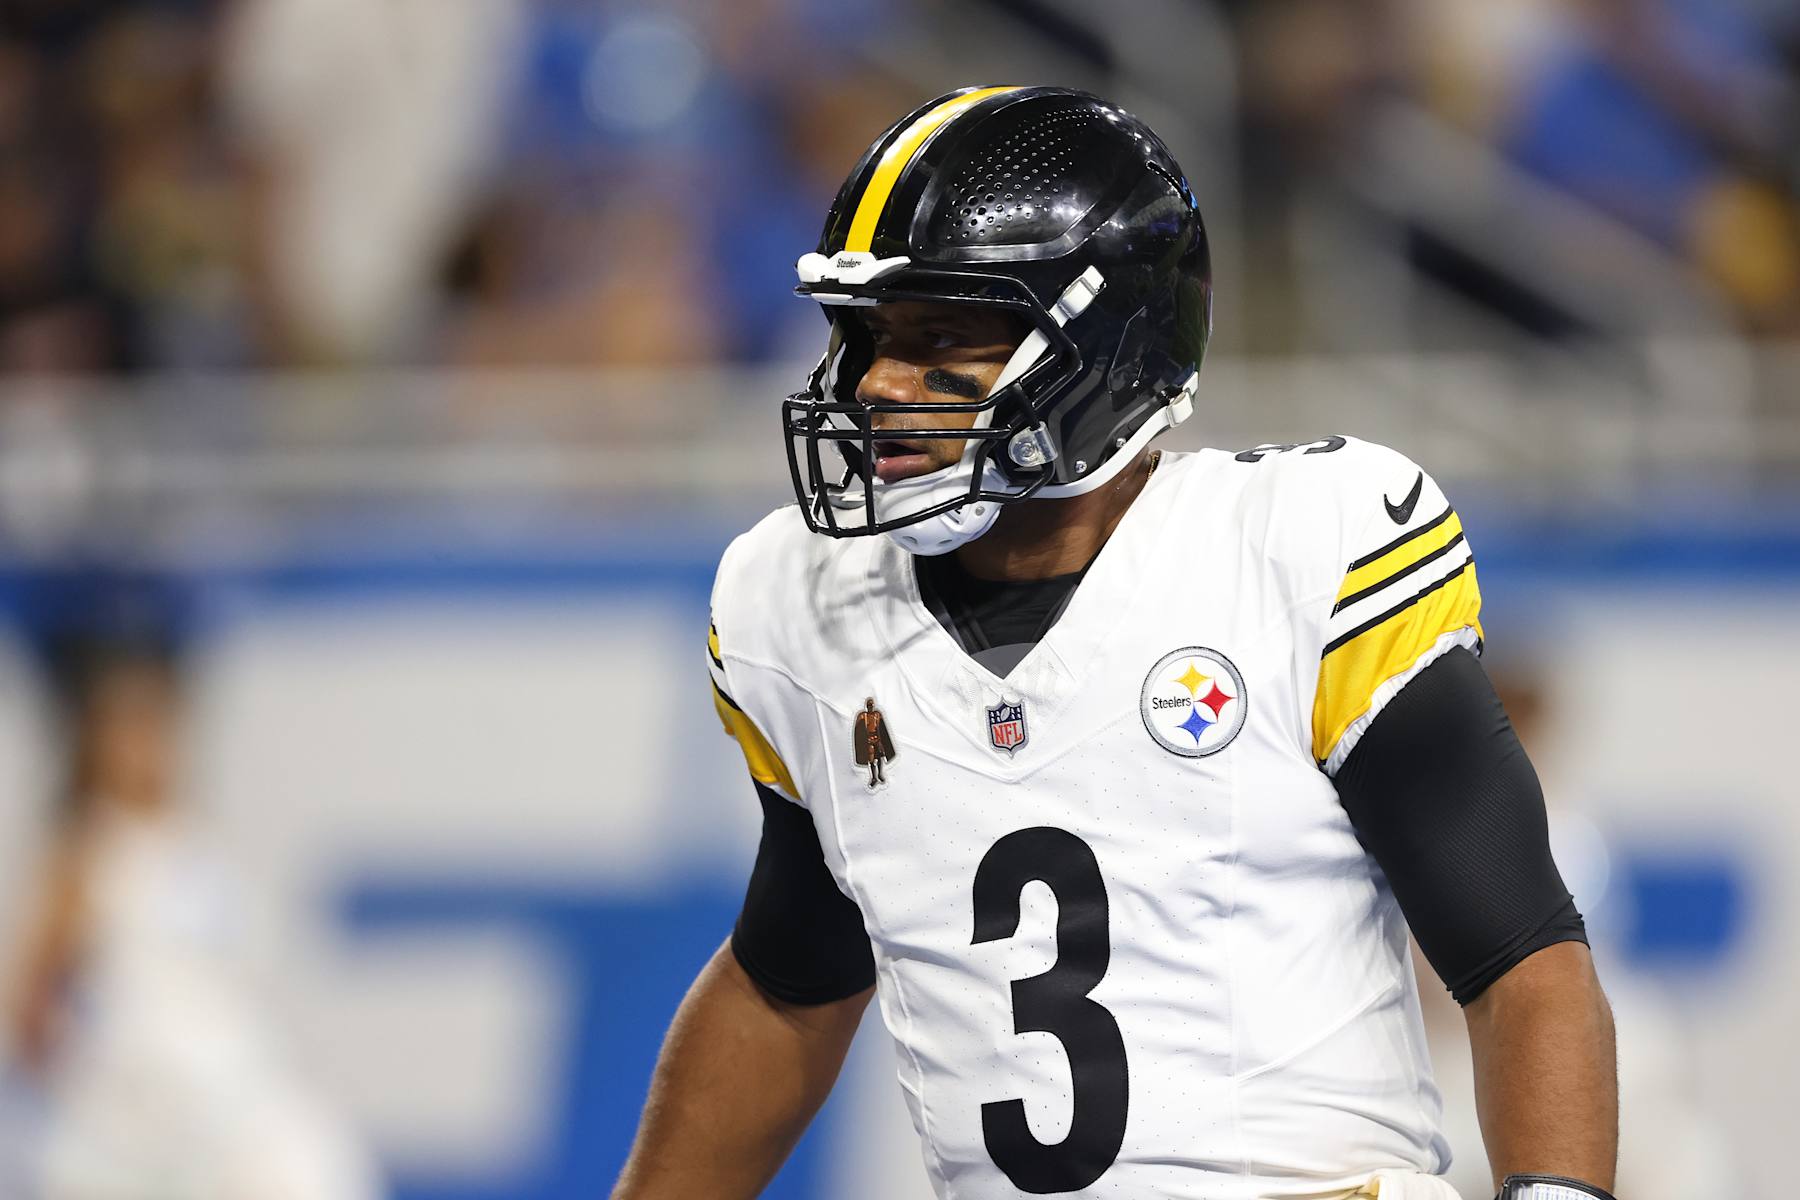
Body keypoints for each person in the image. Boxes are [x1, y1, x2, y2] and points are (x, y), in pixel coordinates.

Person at [614, 86, 1617, 1200]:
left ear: (1101, 344)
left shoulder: (1297, 549)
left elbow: (1520, 955)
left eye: (941, 336)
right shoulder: (806, 604)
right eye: (869, 338)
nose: (881, 385)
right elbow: (790, 982)